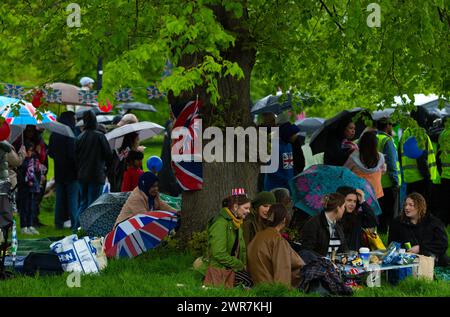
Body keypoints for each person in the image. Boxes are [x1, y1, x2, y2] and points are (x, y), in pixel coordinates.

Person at [200, 191, 253, 288]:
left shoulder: (236, 221)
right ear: (236, 207)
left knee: (254, 278)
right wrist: (239, 265)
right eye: (246, 208)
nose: (248, 211)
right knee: (250, 282)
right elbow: (219, 253)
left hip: (231, 267)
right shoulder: (220, 223)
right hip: (220, 269)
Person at [247, 203, 305, 289]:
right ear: (284, 220)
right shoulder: (278, 240)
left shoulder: (258, 236)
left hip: (257, 286)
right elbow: (282, 273)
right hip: (270, 289)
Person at [388, 192, 449, 267]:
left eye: (411, 205)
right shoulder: (397, 223)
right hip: (405, 258)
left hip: (431, 259)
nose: (406, 208)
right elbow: (392, 244)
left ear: (420, 207)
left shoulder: (433, 223)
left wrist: (421, 248)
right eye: (405, 205)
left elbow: (442, 244)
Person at [76, 110, 113, 216]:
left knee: (83, 203)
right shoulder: (100, 136)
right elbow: (108, 155)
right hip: (96, 175)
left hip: (82, 175)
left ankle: (77, 228)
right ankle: (90, 230)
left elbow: (76, 158)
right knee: (94, 204)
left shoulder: (79, 138)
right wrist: (106, 169)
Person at [48, 111, 79, 231]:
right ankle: (74, 223)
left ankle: (58, 223)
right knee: (72, 199)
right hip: (71, 171)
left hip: (59, 171)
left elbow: (50, 153)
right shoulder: (71, 133)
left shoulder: (55, 133)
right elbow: (72, 154)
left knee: (60, 199)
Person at [299, 193, 348, 257]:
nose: (345, 209)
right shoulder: (313, 223)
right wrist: (324, 262)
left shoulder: (338, 224)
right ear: (338, 208)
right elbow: (306, 251)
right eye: (344, 206)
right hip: (318, 265)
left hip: (336, 265)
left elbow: (343, 249)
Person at [399, 127, 437, 203]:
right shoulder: (420, 134)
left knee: (412, 207)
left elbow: (400, 156)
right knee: (421, 208)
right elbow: (421, 158)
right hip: (421, 178)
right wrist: (427, 176)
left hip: (409, 178)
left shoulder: (404, 135)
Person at [376, 118, 401, 233]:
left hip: (377, 182)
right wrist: (395, 181)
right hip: (389, 182)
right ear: (387, 126)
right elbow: (391, 163)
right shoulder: (387, 140)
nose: (392, 127)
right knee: (392, 214)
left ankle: (381, 234)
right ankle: (392, 235)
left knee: (381, 213)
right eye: (391, 125)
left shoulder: (374, 138)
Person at [344, 131, 386, 199]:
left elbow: (344, 171)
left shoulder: (353, 157)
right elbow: (383, 171)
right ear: (375, 144)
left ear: (361, 143)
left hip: (359, 193)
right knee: (373, 209)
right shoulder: (381, 157)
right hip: (375, 193)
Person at [336, 186, 378, 251]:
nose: (352, 204)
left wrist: (363, 202)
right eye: (349, 200)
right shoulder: (335, 218)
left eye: (355, 201)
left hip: (355, 256)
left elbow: (373, 221)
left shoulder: (357, 216)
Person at [18, 142, 45, 235]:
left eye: (31, 150)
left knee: (31, 207)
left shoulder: (33, 159)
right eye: (28, 150)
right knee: (24, 207)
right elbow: (21, 173)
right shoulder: (22, 161)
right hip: (24, 187)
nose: (30, 152)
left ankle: (30, 225)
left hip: (32, 187)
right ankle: (23, 226)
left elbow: (37, 171)